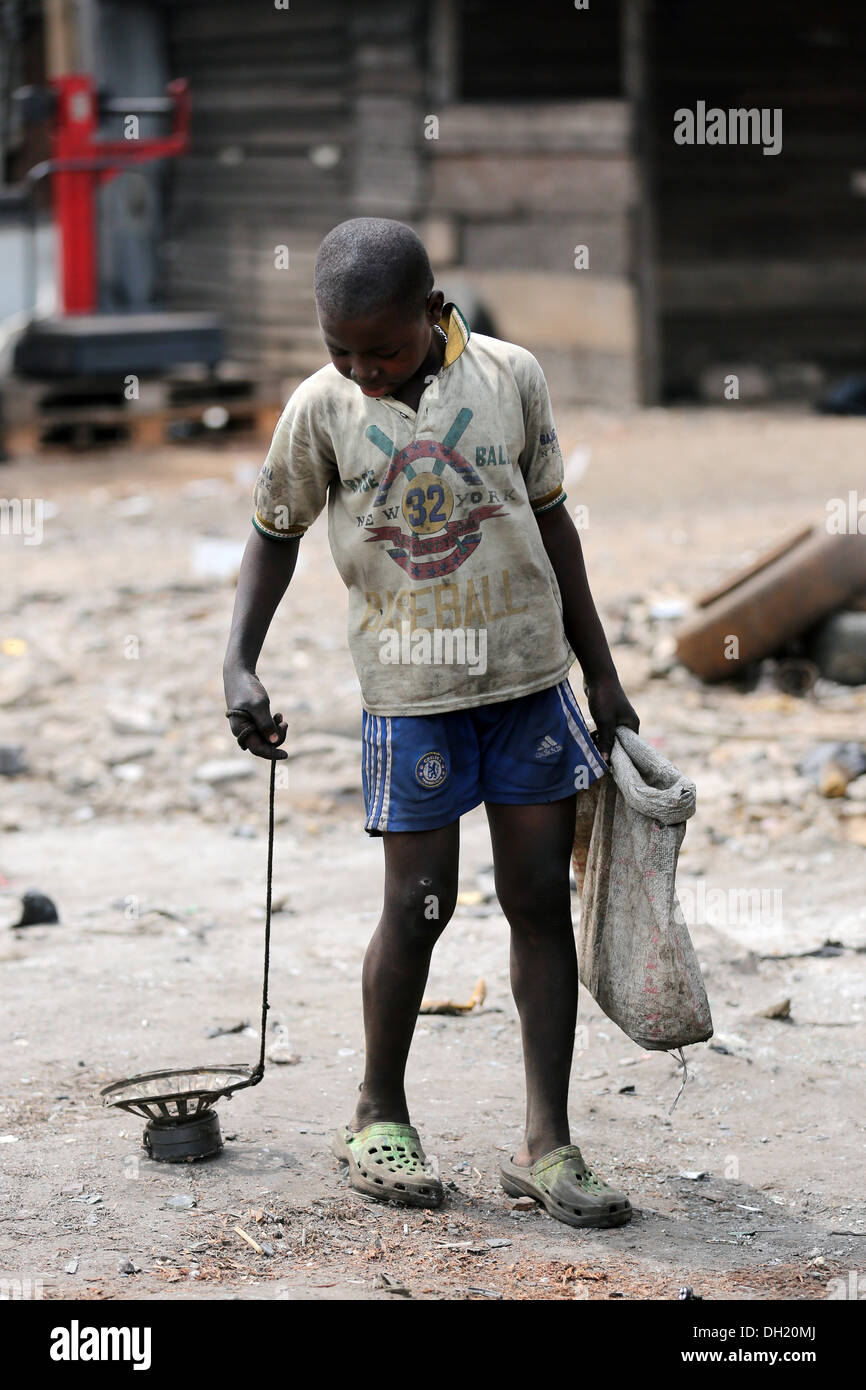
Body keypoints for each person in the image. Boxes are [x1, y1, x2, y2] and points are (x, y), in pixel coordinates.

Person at [223, 218, 640, 1229]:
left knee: (539, 900)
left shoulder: (508, 378)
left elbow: (551, 520)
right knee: (419, 904)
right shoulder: (320, 410)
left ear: (432, 311)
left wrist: (602, 673)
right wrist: (238, 660)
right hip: (410, 701)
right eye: (341, 351)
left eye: (384, 349)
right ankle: (380, 1111)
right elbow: (273, 534)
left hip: (527, 686)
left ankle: (546, 1142)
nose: (363, 369)